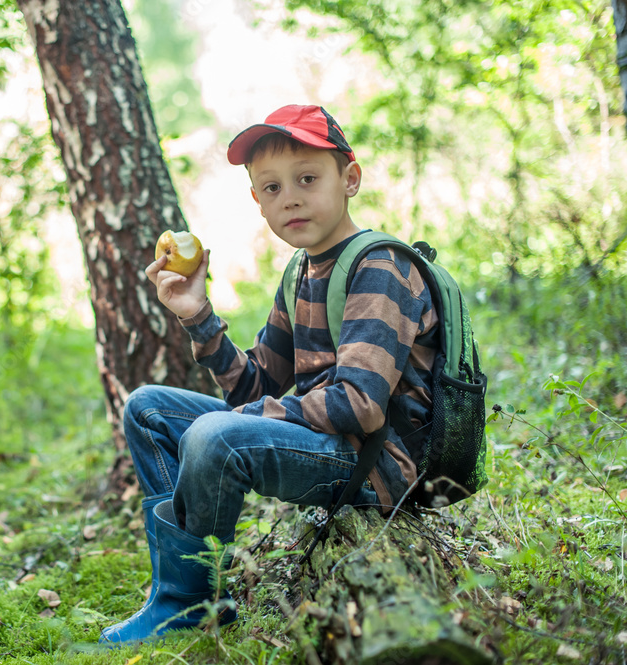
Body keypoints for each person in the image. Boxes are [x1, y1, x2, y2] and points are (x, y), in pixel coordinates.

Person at [99, 104, 440, 644]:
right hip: (323, 440)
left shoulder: (379, 267)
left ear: (349, 178)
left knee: (214, 435)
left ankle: (189, 605)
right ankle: (187, 587)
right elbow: (254, 386)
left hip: (374, 464)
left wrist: (256, 416)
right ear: (257, 200)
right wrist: (196, 313)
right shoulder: (302, 271)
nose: (292, 198)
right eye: (273, 188)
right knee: (149, 409)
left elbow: (361, 404)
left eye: (308, 179)